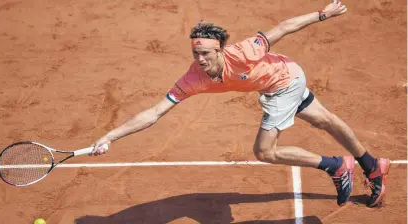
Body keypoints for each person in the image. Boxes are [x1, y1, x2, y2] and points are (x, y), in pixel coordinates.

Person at [89, 0, 389, 208]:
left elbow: (283, 27)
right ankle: (371, 165)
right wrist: (110, 136)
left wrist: (322, 14)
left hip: (284, 82)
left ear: (220, 50)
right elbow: (154, 112)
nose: (201, 60)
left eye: (206, 53)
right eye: (196, 54)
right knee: (325, 120)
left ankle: (335, 166)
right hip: (282, 79)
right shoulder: (193, 78)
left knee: (264, 151)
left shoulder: (244, 51)